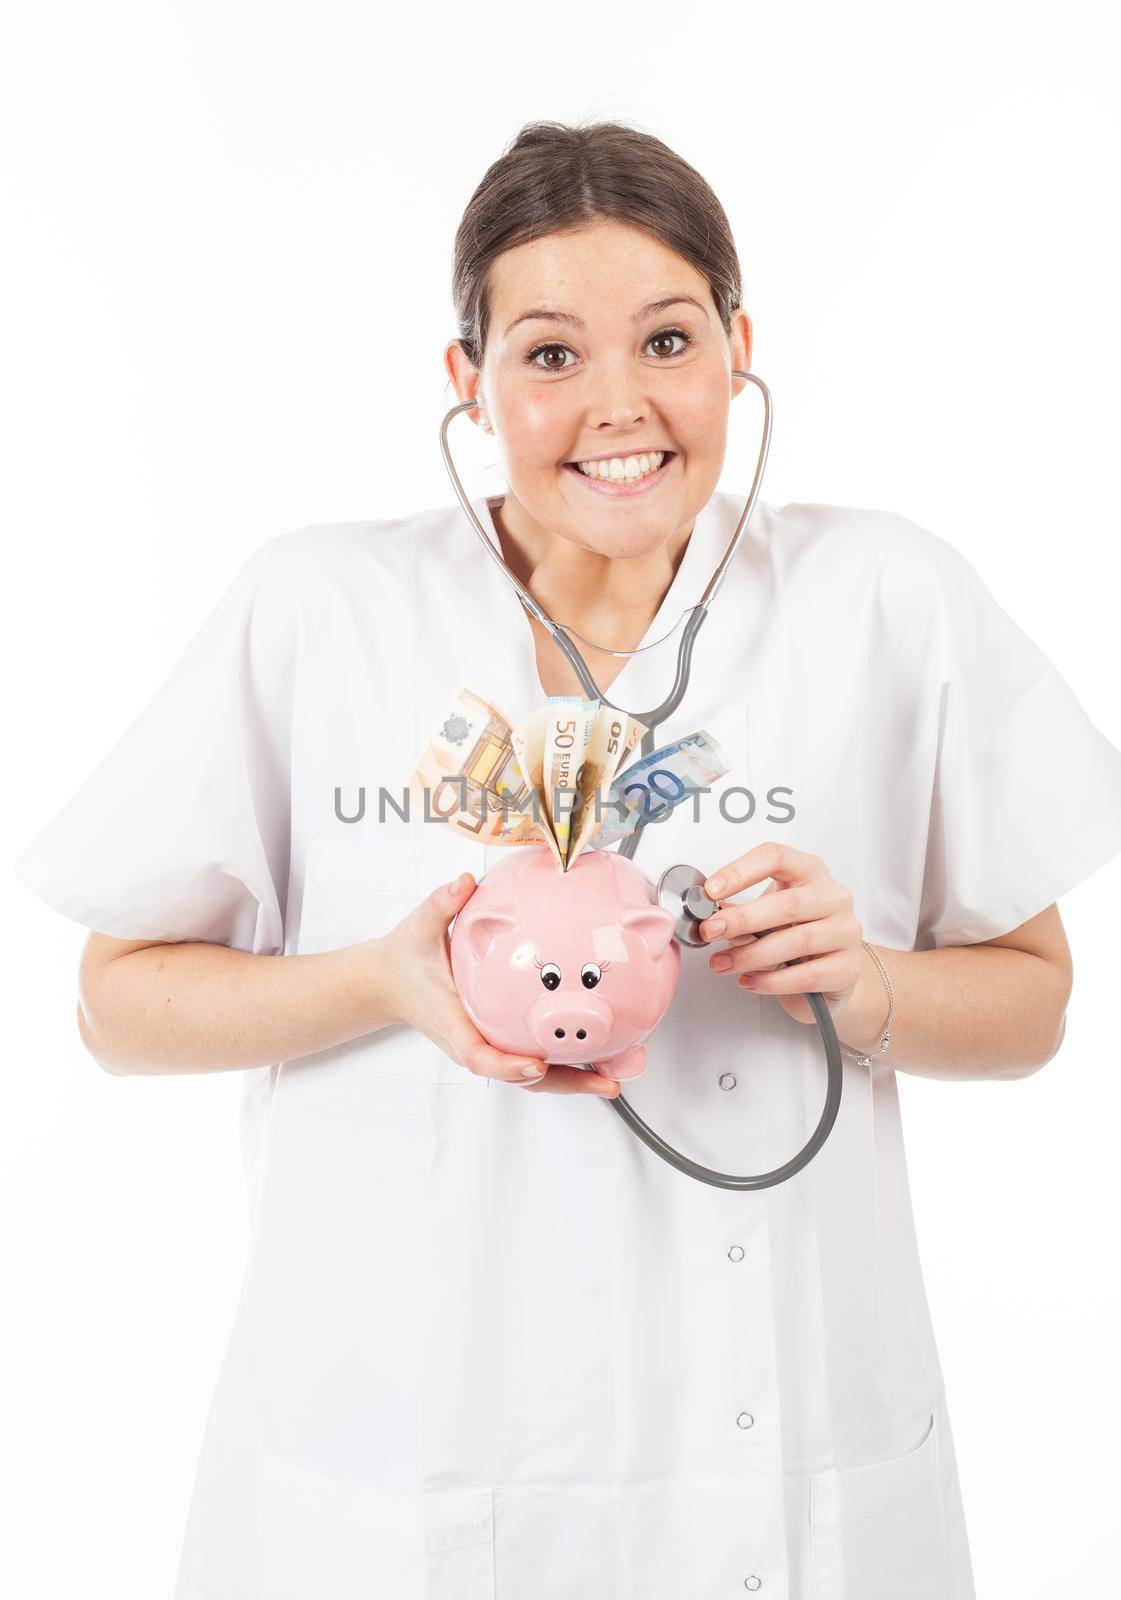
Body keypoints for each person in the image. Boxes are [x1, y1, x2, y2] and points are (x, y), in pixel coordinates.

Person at [13, 118, 1121, 1600]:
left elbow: (1033, 1004)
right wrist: (384, 985)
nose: (619, 405)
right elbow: (114, 1006)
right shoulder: (323, 607)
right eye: (547, 355)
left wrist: (865, 988)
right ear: (466, 381)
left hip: (770, 1460)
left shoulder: (879, 595)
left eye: (667, 339)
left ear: (737, 345)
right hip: (407, 1463)